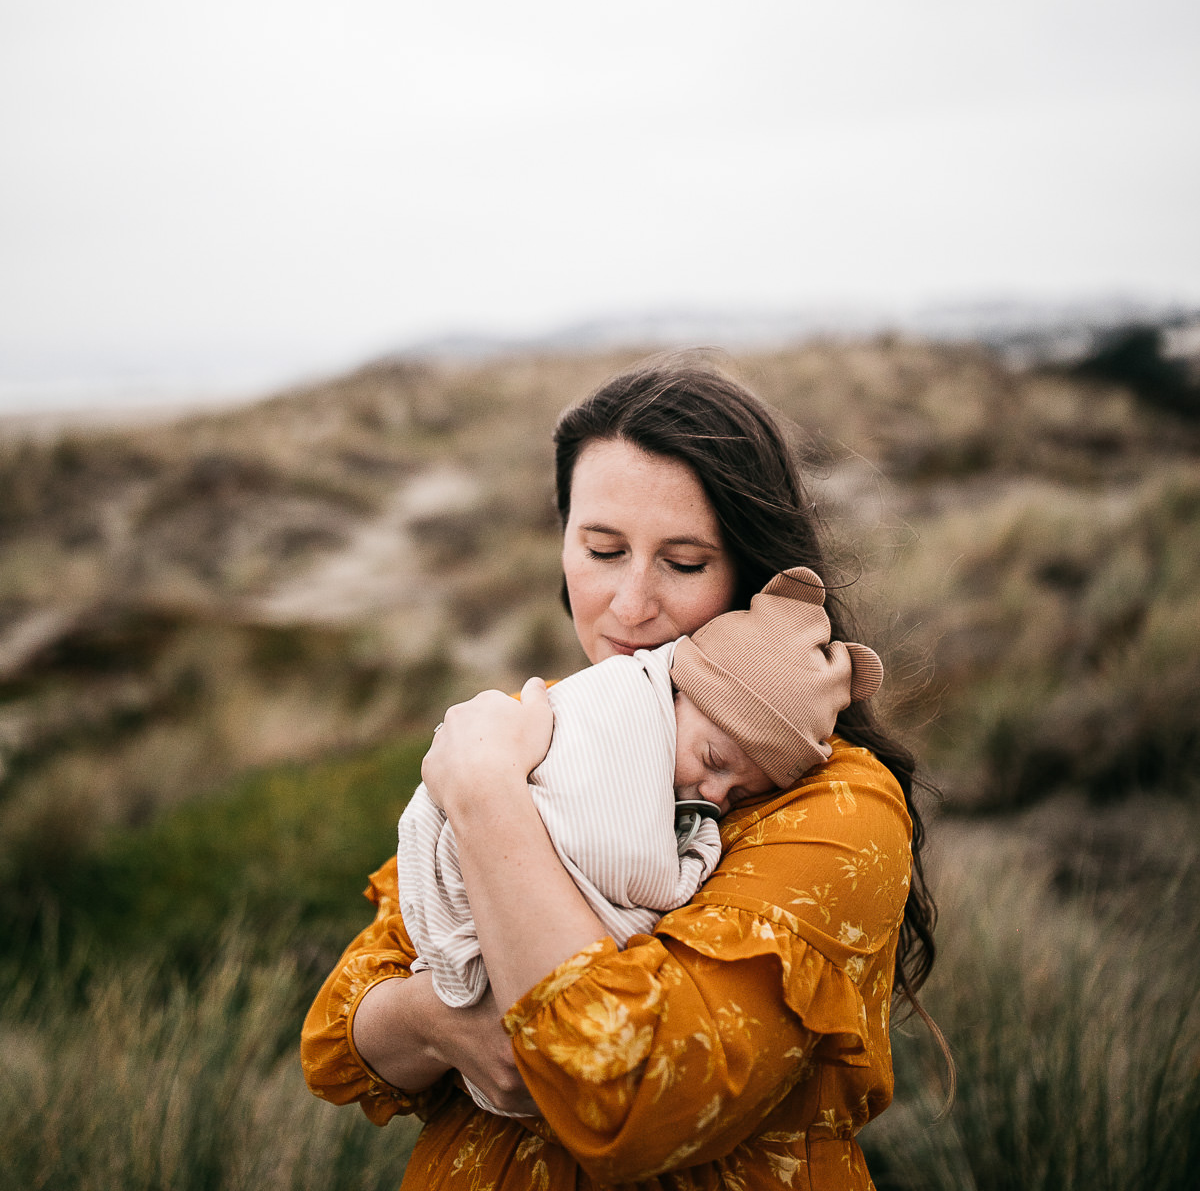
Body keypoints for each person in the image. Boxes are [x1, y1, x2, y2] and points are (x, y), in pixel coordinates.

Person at [302, 359, 944, 1190]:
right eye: (602, 549)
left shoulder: (836, 804)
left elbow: (624, 1093)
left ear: (750, 573)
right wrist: (442, 1024)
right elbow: (335, 1039)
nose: (630, 605)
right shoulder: (550, 728)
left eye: (683, 563)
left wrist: (487, 797)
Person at [397, 566, 884, 1115]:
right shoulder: (617, 711)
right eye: (713, 761)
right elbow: (617, 855)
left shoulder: (840, 808)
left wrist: (485, 789)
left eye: (743, 791)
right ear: (677, 692)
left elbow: (612, 1070)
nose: (714, 794)